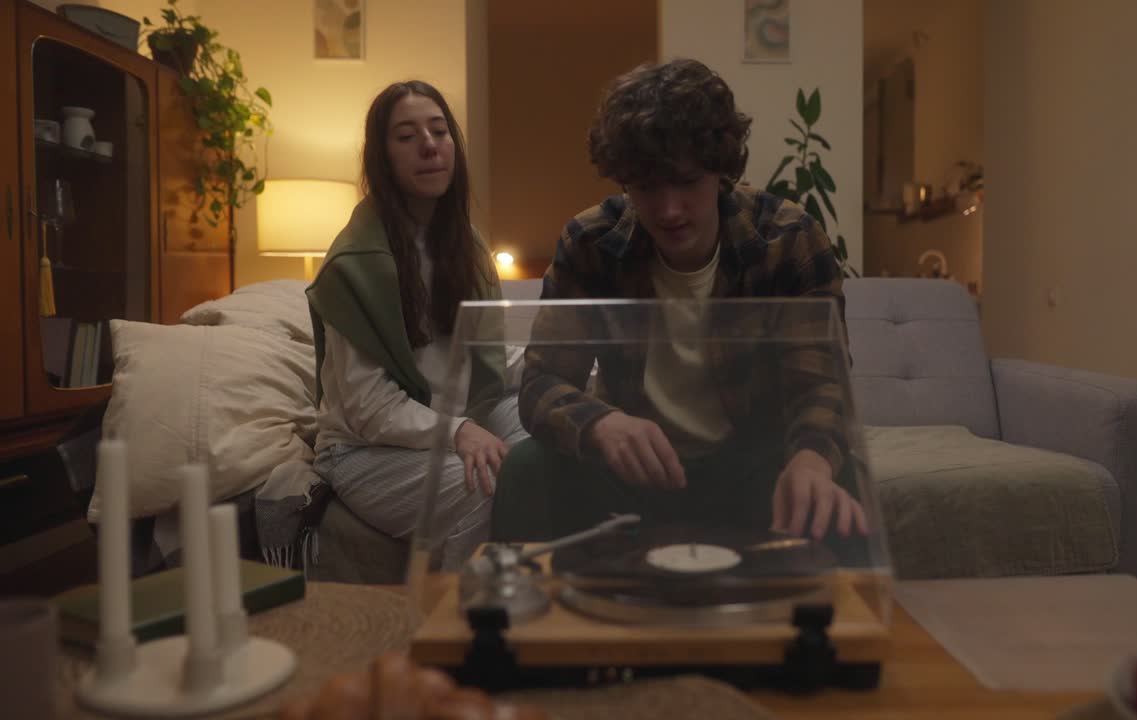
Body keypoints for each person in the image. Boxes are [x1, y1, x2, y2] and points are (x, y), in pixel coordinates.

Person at [491, 59, 867, 547]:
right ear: (624, 180)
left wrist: (811, 461)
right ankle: (519, 618)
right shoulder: (590, 242)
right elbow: (542, 384)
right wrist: (602, 424)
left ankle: (828, 622)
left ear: (721, 169)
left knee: (835, 483)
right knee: (525, 469)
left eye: (687, 182)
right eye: (647, 187)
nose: (668, 210)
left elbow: (823, 384)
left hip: (750, 464)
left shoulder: (789, 238)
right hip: (633, 470)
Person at [305, 80, 526, 571]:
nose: (429, 144)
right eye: (406, 136)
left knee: (550, 451)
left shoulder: (466, 246)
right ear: (382, 157)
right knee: (486, 489)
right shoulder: (353, 265)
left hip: (460, 418)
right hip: (367, 450)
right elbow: (366, 407)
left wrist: (568, 375)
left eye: (439, 130)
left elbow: (492, 359)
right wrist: (460, 431)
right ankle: (458, 630)